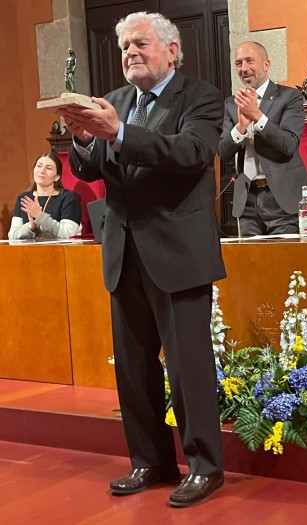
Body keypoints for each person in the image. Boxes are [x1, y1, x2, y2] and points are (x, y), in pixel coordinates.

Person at [57, 11, 226, 507]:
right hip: (123, 250)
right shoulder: (114, 103)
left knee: (187, 366)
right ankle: (150, 461)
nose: (130, 52)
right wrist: (85, 139)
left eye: (141, 44)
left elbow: (191, 152)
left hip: (178, 253)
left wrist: (118, 135)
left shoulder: (200, 97)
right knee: (133, 368)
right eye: (124, 45)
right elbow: (93, 169)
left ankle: (204, 467)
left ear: (172, 50)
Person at [218, 41, 307, 235]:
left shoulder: (289, 97)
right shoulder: (231, 104)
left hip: (281, 197)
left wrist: (257, 116)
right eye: (238, 63)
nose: (244, 68)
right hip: (247, 199)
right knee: (252, 263)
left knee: (285, 262)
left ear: (266, 64)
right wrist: (240, 127)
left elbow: (289, 145)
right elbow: (222, 151)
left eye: (249, 61)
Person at [8, 151, 82, 240]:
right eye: (39, 166)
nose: (42, 171)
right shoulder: (24, 198)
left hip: (61, 252)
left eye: (49, 168)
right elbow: (12, 236)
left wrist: (40, 216)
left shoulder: (69, 198)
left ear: (57, 177)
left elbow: (68, 233)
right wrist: (30, 227)